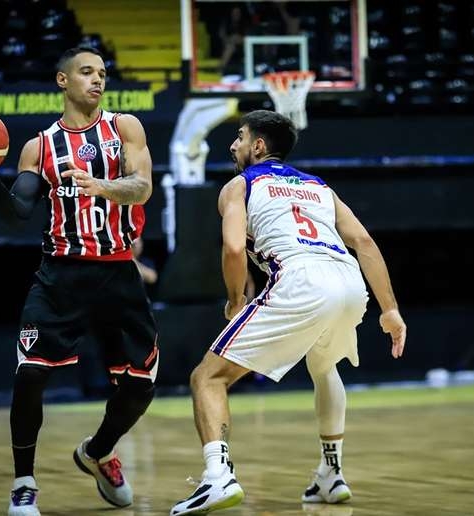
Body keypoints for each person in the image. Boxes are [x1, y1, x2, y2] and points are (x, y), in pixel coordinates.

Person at [170, 110, 406, 515]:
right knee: (324, 365)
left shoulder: (238, 185)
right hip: (349, 282)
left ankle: (217, 477)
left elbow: (230, 249)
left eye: (239, 137)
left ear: (258, 146)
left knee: (206, 378)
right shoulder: (319, 186)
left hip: (299, 279)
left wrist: (235, 300)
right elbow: (364, 242)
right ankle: (331, 474)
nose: (232, 145)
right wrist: (390, 310)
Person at [0, 47, 159, 516]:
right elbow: (17, 212)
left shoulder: (125, 128)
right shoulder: (40, 147)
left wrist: (99, 186)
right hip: (61, 274)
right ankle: (24, 484)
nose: (97, 80)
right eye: (86, 72)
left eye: (102, 73)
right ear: (63, 81)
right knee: (31, 374)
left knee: (140, 387)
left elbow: (142, 187)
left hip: (119, 271)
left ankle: (97, 452)